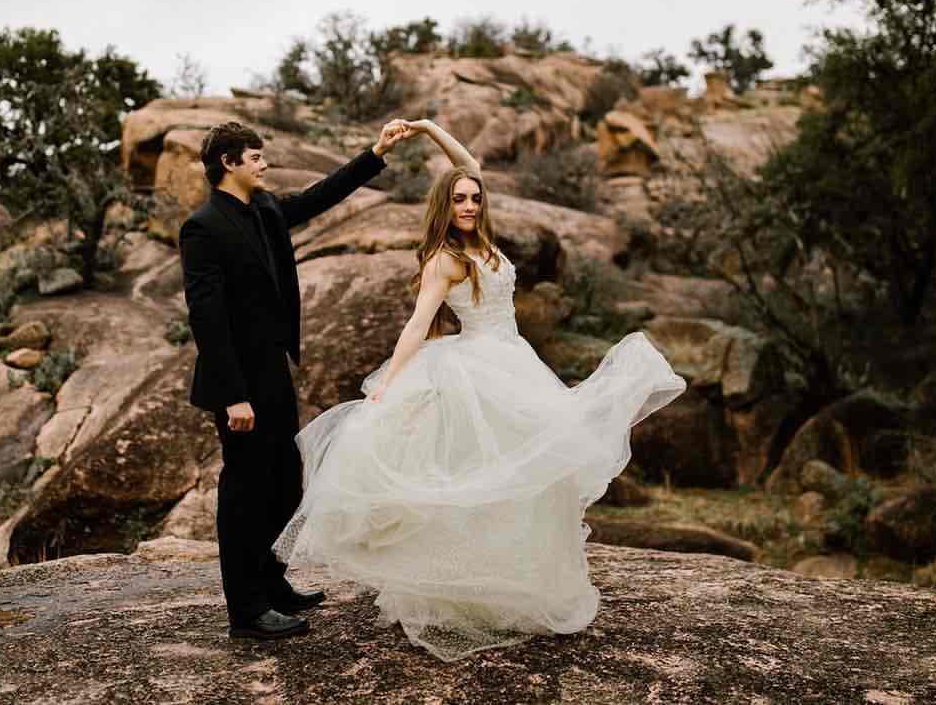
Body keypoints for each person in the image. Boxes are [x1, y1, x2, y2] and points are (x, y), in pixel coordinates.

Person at [273, 119, 687, 661]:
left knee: (530, 475)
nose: (468, 204)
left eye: (474, 198)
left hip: (514, 361)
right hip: (474, 368)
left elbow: (468, 163)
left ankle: (515, 580)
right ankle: (459, 591)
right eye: (460, 200)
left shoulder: (485, 242)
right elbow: (418, 324)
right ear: (446, 207)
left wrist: (426, 127)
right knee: (479, 476)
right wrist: (388, 384)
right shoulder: (446, 258)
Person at [179, 118, 409, 641]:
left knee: (286, 483)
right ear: (229, 164)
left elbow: (318, 197)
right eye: (255, 157)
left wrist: (374, 153)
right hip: (237, 382)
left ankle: (272, 583)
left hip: (274, 370)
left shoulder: (263, 209)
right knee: (244, 492)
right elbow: (206, 318)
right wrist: (234, 395)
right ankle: (247, 611)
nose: (264, 163)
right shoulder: (203, 226)